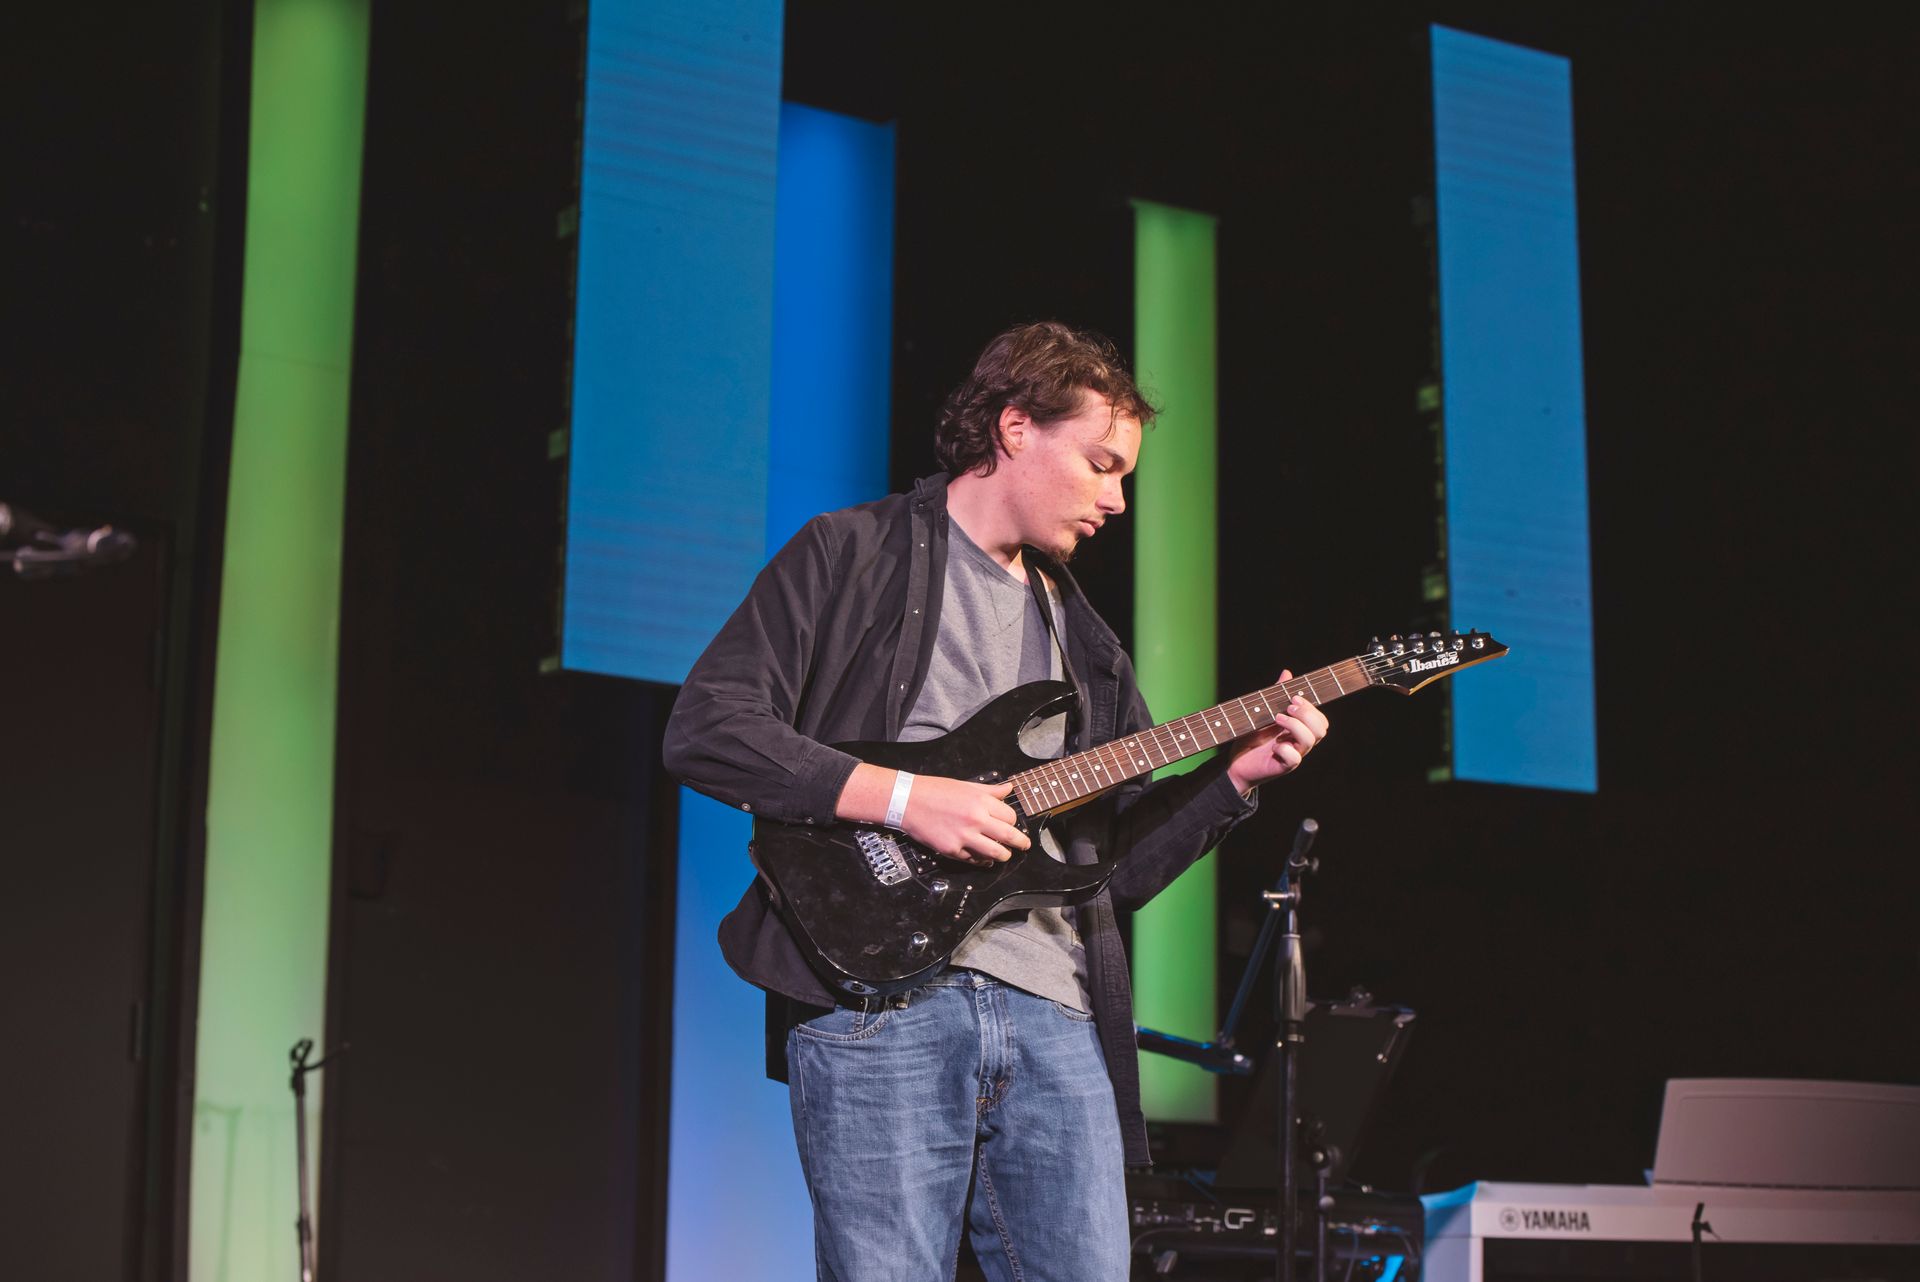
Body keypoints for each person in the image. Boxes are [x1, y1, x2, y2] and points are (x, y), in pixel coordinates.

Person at [663, 321, 1329, 1281]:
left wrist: (1234, 780)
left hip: (1054, 1014)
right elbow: (709, 726)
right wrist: (902, 799)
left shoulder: (1090, 649)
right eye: (1102, 464)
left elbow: (1117, 874)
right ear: (1016, 427)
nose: (1118, 498)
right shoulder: (850, 554)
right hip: (875, 1000)